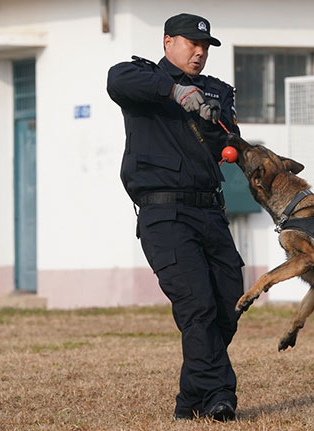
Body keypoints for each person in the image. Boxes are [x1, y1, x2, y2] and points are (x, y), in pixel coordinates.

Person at [106, 13, 243, 422]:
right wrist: (176, 92)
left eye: (204, 47)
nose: (199, 52)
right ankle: (221, 396)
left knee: (227, 304)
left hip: (211, 211)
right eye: (190, 43)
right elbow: (117, 80)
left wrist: (220, 121)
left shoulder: (216, 90)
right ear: (168, 42)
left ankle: (190, 401)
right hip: (164, 214)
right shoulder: (142, 79)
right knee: (196, 305)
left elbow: (229, 142)